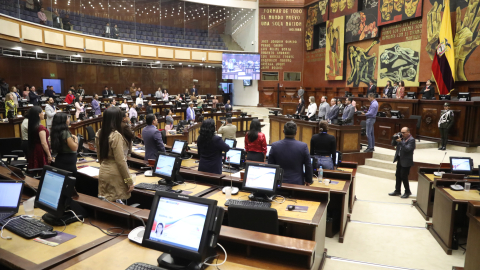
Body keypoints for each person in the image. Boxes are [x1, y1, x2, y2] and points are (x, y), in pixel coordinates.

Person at [95, 107, 134, 202]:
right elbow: (120, 161)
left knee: (107, 204)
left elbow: (99, 156)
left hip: (103, 170)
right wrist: (129, 181)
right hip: (115, 173)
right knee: (117, 207)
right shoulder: (116, 135)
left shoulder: (100, 132)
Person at [268, 121, 313, 186]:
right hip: (297, 184)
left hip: (279, 183)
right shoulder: (303, 146)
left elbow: (270, 165)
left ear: (283, 131)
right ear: (296, 132)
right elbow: (308, 165)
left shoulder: (275, 146)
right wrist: (308, 180)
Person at [389, 127, 415, 198]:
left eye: (404, 133)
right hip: (400, 159)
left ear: (408, 132)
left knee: (404, 176)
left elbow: (407, 149)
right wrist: (394, 139)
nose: (402, 134)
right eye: (401, 132)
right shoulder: (401, 138)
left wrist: (401, 142)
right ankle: (397, 190)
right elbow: (393, 144)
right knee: (397, 175)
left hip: (406, 161)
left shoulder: (411, 140)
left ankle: (407, 191)